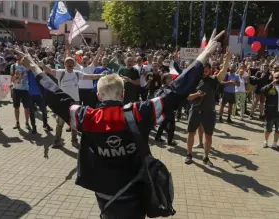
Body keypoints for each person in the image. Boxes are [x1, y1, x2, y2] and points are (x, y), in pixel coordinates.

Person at [22, 29, 225, 219]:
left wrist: (34, 67)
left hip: (105, 197)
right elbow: (175, 90)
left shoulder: (87, 117)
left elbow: (56, 97)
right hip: (135, 192)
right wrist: (203, 55)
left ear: (99, 95)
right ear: (122, 94)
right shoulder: (138, 113)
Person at [41, 55, 104, 149]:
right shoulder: (60, 73)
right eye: (68, 62)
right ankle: (57, 141)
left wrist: (100, 76)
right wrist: (40, 64)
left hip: (75, 101)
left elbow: (89, 76)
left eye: (71, 62)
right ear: (64, 64)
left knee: (74, 122)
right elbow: (50, 70)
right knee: (59, 123)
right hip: (62, 101)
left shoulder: (77, 73)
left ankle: (74, 141)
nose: (70, 63)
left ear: (74, 64)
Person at [185, 47, 231, 166]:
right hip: (195, 110)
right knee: (191, 133)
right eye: (203, 69)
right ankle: (189, 154)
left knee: (208, 136)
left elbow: (223, 71)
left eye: (207, 69)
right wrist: (196, 94)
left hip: (209, 112)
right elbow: (188, 97)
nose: (205, 71)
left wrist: (227, 59)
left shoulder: (213, 80)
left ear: (210, 70)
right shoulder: (195, 80)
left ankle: (206, 157)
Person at [261, 72, 279, 149]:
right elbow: (263, 91)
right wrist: (272, 84)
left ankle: (274, 144)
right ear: (273, 78)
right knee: (268, 128)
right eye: (276, 77)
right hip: (271, 112)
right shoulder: (270, 86)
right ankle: (265, 142)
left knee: (278, 129)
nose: (278, 79)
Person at [154, 73, 177, 146]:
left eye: (171, 78)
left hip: (166, 109)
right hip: (167, 109)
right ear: (164, 79)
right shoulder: (165, 88)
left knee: (164, 124)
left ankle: (158, 137)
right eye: (169, 78)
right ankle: (170, 141)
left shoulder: (166, 87)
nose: (171, 79)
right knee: (172, 126)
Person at [11, 53, 30, 130]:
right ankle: (17, 122)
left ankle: (27, 122)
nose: (19, 57)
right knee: (16, 107)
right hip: (16, 89)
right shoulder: (13, 66)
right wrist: (15, 76)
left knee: (26, 107)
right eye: (17, 56)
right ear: (16, 57)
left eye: (20, 56)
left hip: (25, 89)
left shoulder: (27, 66)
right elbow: (11, 79)